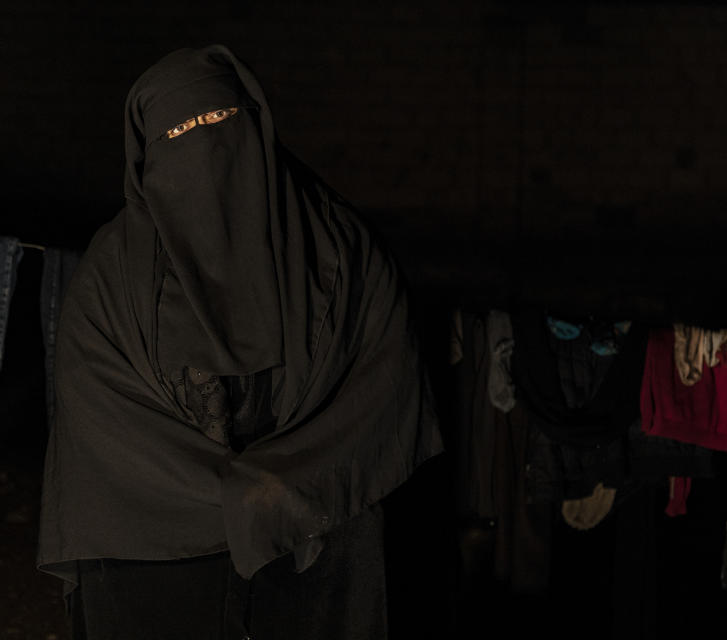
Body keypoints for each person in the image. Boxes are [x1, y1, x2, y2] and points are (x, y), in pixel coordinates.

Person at [37, 45, 443, 639]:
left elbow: (383, 384)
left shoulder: (341, 250)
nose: (203, 148)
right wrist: (243, 499)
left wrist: (288, 488)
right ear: (145, 155)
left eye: (218, 124)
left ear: (258, 127)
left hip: (317, 537)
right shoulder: (111, 281)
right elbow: (101, 423)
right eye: (179, 132)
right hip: (153, 547)